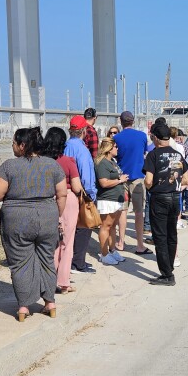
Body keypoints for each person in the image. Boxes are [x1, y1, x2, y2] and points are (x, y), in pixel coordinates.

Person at [0, 128, 66, 321]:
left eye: (14, 143)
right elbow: (62, 194)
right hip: (47, 215)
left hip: (17, 219)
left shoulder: (9, 166)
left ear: (23, 145)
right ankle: (50, 302)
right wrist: (57, 215)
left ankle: (24, 307)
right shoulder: (53, 165)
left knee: (20, 262)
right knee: (47, 259)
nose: (13, 146)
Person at [144, 123, 188, 285]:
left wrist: (150, 185)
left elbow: (148, 180)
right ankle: (169, 267)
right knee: (171, 234)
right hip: (175, 197)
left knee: (160, 236)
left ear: (155, 137)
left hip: (160, 197)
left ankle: (167, 275)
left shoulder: (153, 155)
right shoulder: (177, 154)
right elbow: (186, 179)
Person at [42, 127, 82, 295]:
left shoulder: (42, 162)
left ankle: (48, 279)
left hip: (46, 201)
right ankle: (64, 281)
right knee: (67, 242)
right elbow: (77, 187)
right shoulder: (68, 161)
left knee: (50, 243)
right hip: (67, 200)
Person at [113, 111, 150, 255]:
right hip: (138, 177)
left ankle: (121, 242)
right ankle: (140, 244)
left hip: (122, 178)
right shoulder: (142, 136)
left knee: (122, 210)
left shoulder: (117, 137)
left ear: (121, 122)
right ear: (133, 121)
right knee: (139, 211)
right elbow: (144, 153)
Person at [65, 115, 98, 274]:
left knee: (70, 228)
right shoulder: (82, 149)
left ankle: (70, 260)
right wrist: (91, 194)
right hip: (81, 192)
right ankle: (78, 262)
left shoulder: (66, 145)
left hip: (67, 191)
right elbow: (86, 176)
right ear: (84, 130)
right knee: (84, 228)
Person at [94, 137, 129, 266]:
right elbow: (103, 182)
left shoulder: (112, 161)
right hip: (107, 199)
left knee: (113, 226)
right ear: (109, 149)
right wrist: (120, 180)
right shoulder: (102, 163)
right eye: (115, 147)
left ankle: (112, 250)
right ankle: (104, 254)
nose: (117, 149)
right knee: (106, 226)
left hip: (116, 199)